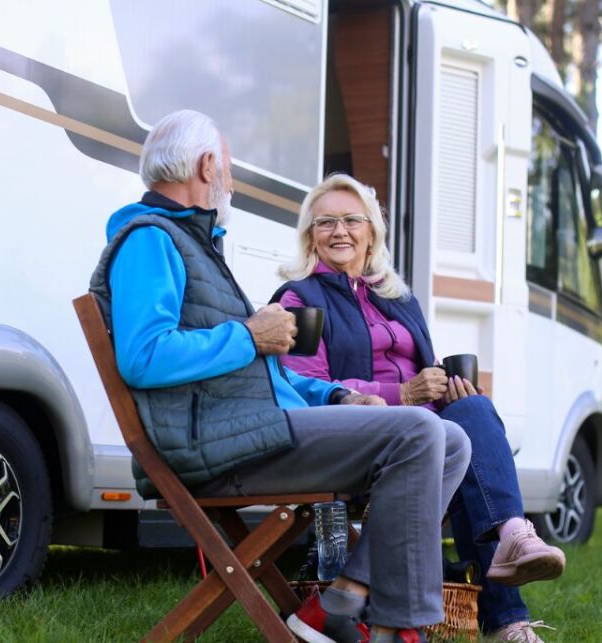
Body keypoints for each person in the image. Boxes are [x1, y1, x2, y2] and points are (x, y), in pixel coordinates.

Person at [88, 110, 472, 643]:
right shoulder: (149, 241)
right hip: (212, 447)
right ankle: (395, 626)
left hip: (246, 429)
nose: (231, 180)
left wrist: (339, 395)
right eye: (225, 165)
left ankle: (346, 596)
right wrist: (249, 334)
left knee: (452, 439)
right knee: (421, 431)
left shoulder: (192, 243)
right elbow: (144, 356)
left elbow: (265, 373)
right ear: (205, 166)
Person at [272, 173, 566, 643]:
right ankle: (505, 618)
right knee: (463, 447)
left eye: (352, 220)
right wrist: (402, 395)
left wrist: (444, 388)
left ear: (372, 232)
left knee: (472, 412)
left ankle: (512, 534)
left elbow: (420, 372)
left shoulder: (397, 298)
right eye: (326, 222)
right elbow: (305, 386)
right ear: (311, 236)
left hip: (424, 431)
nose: (340, 231)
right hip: (366, 437)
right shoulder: (299, 300)